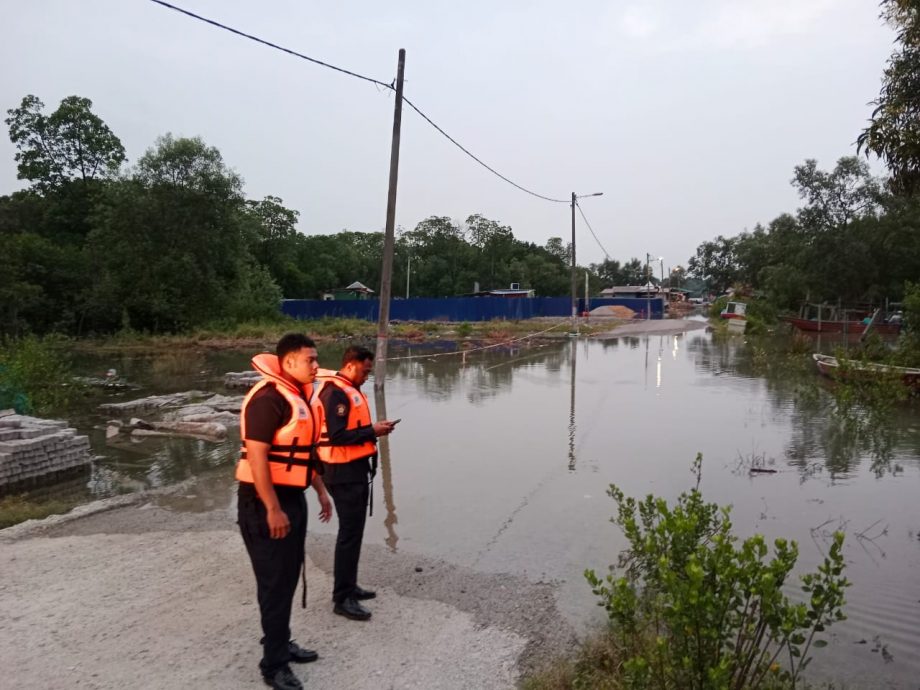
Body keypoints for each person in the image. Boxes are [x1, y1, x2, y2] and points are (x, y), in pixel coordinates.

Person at [237, 333, 333, 690]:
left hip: (292, 497)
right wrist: (272, 508)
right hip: (263, 501)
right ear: (288, 361)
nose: (316, 365)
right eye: (310, 360)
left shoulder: (300, 397)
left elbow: (305, 454)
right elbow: (258, 457)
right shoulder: (268, 398)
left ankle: (280, 641)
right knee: (275, 581)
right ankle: (273, 664)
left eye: (316, 359)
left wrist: (321, 492)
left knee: (288, 575)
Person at [315, 346, 397, 621]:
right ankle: (342, 598)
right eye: (365, 369)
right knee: (349, 535)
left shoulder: (349, 388)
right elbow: (337, 436)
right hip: (341, 472)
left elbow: (352, 430)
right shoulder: (335, 392)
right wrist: (372, 431)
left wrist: (373, 430)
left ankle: (350, 586)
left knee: (354, 532)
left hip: (353, 470)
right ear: (351, 365)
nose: (366, 375)